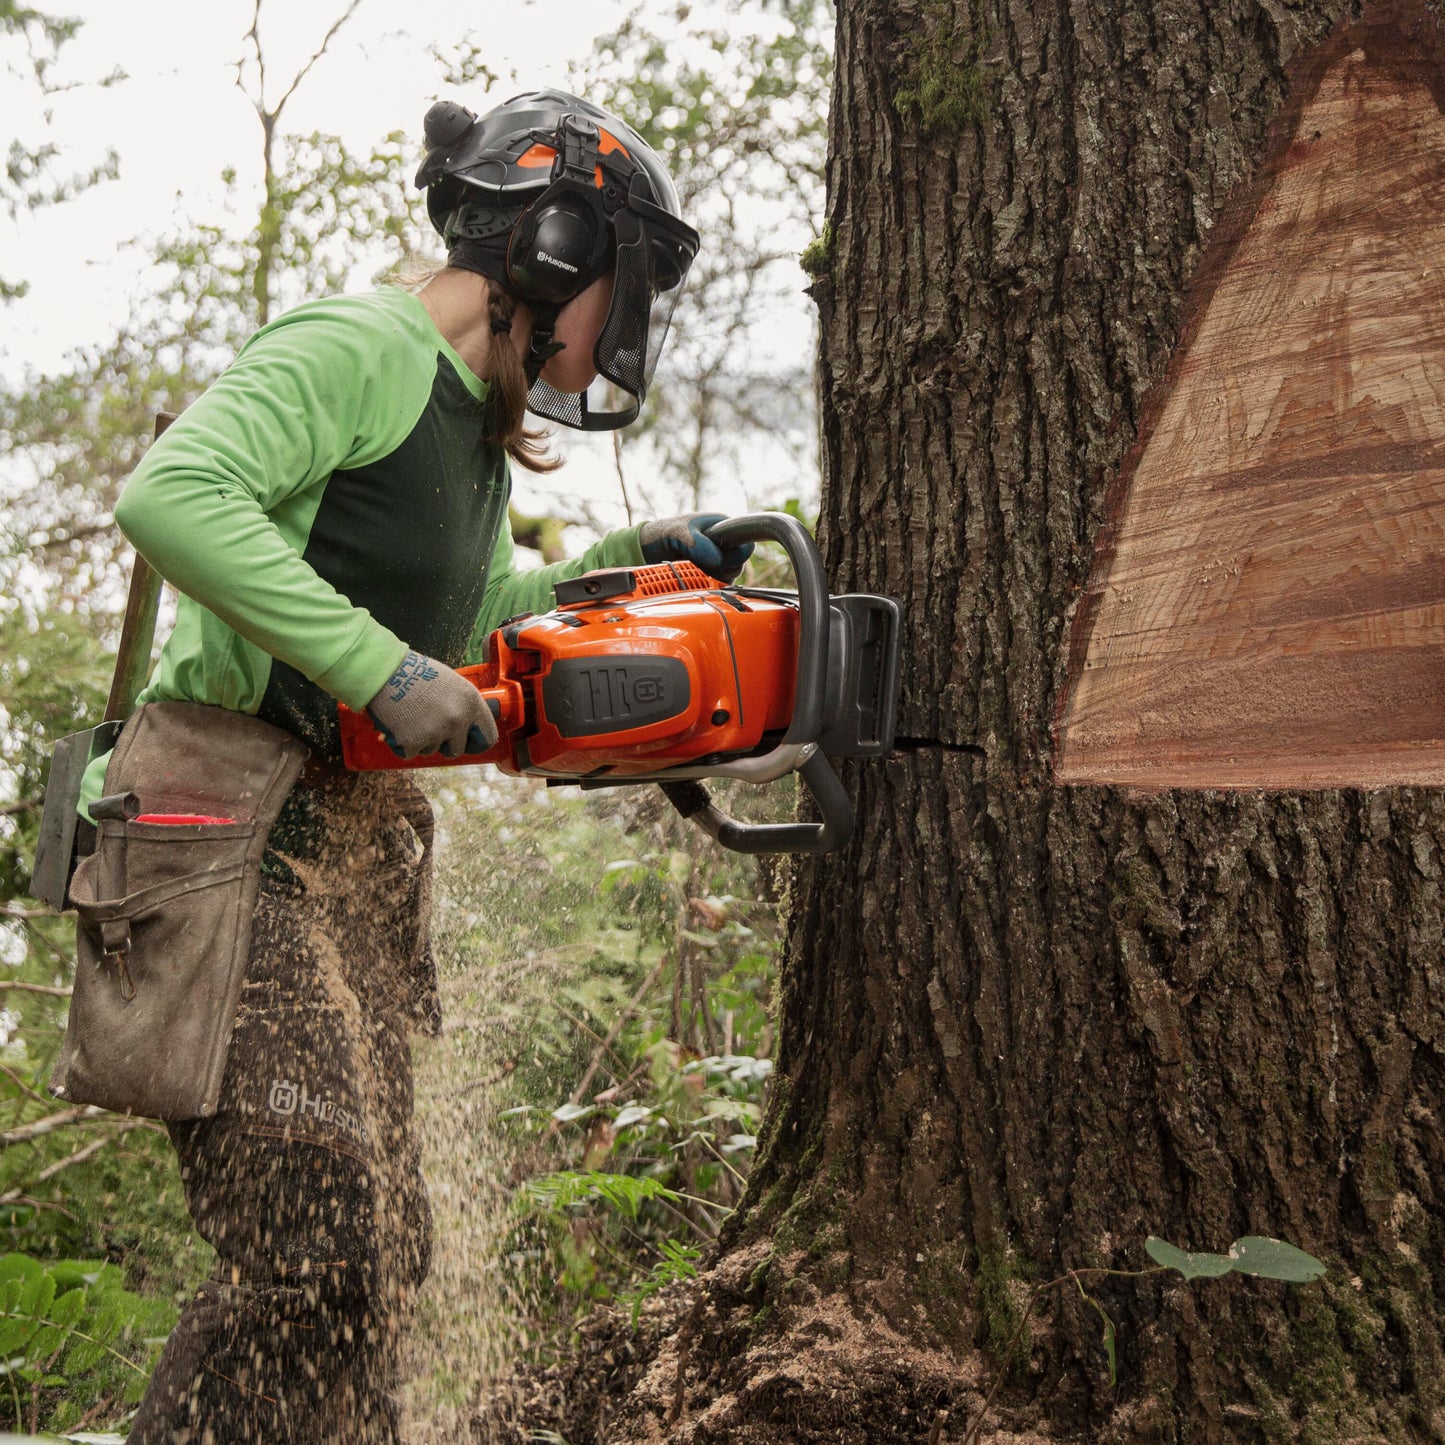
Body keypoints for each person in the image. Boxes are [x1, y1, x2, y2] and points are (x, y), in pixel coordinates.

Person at [97, 88, 752, 1442]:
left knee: (382, 1253)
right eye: (622, 289)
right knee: (320, 1238)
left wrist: (614, 567)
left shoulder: (470, 426)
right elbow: (173, 494)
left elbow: (464, 627)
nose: (622, 329)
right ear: (554, 249)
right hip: (224, 825)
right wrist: (381, 673)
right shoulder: (361, 345)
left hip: (342, 845)